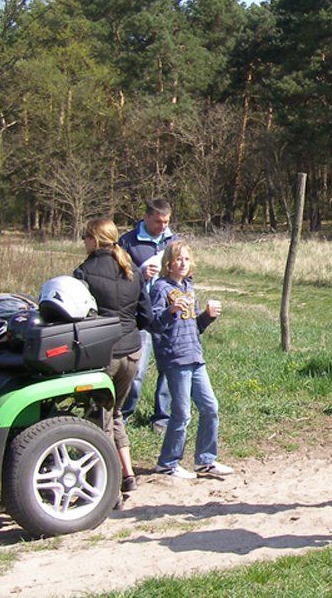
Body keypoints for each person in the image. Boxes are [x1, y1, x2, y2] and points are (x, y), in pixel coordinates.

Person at [74, 218, 152, 493]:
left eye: (85, 237)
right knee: (114, 413)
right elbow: (147, 316)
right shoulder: (131, 268)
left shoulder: (84, 272)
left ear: (94, 239)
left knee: (99, 417)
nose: (84, 242)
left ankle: (107, 485)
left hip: (102, 355)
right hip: (132, 353)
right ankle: (127, 475)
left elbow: (77, 315)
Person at [149, 241, 233, 479]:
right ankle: (168, 463)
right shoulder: (160, 289)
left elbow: (195, 327)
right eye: (178, 259)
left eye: (186, 259)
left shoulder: (188, 287)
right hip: (175, 358)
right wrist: (170, 310)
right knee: (182, 413)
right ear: (168, 263)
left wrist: (207, 316)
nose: (182, 264)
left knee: (210, 407)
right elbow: (154, 324)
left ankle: (205, 461)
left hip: (195, 355)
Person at [119, 199, 178, 433]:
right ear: (145, 218)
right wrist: (140, 274)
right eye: (158, 222)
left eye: (166, 222)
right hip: (139, 314)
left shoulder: (174, 241)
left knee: (169, 368)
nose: (162, 226)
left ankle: (162, 418)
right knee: (136, 370)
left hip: (167, 312)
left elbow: (186, 272)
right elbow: (118, 278)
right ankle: (122, 415)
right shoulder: (127, 242)